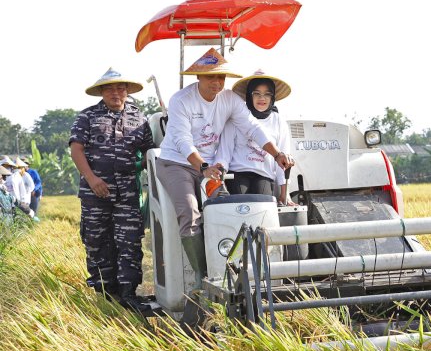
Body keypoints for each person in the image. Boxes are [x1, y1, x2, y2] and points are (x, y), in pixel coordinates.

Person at [155, 48, 292, 317]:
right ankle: (201, 277)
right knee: (190, 210)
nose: (217, 84)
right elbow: (183, 141)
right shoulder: (181, 101)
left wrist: (276, 154)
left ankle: (236, 274)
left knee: (225, 209)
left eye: (221, 78)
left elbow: (252, 127)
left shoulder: (229, 99)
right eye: (211, 78)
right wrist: (203, 167)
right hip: (178, 163)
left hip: (210, 168)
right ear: (198, 77)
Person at [69, 68, 155, 313]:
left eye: (120, 88)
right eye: (109, 88)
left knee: (129, 244)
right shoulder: (87, 117)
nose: (115, 93)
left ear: (127, 91)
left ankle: (128, 294)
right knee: (97, 242)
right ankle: (106, 295)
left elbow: (150, 152)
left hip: (127, 194)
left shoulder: (139, 118)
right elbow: (77, 150)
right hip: (95, 192)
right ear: (101, 92)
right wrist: (92, 178)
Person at [217, 69, 295, 204]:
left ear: (273, 98)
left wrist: (285, 194)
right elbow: (224, 153)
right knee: (242, 204)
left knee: (262, 204)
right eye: (257, 93)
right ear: (249, 96)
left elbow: (283, 163)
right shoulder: (236, 117)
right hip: (237, 173)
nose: (262, 98)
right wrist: (218, 181)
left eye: (267, 94)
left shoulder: (279, 121)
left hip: (264, 175)